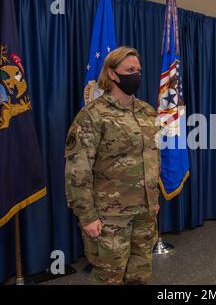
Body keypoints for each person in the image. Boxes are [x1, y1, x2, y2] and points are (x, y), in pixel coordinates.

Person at [64, 46, 161, 285]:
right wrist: (87, 216)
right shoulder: (92, 115)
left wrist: (154, 200)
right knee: (109, 278)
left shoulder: (147, 112)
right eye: (129, 70)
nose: (136, 74)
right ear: (112, 74)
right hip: (110, 217)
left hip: (144, 213)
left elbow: (152, 158)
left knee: (140, 276)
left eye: (138, 70)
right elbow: (78, 169)